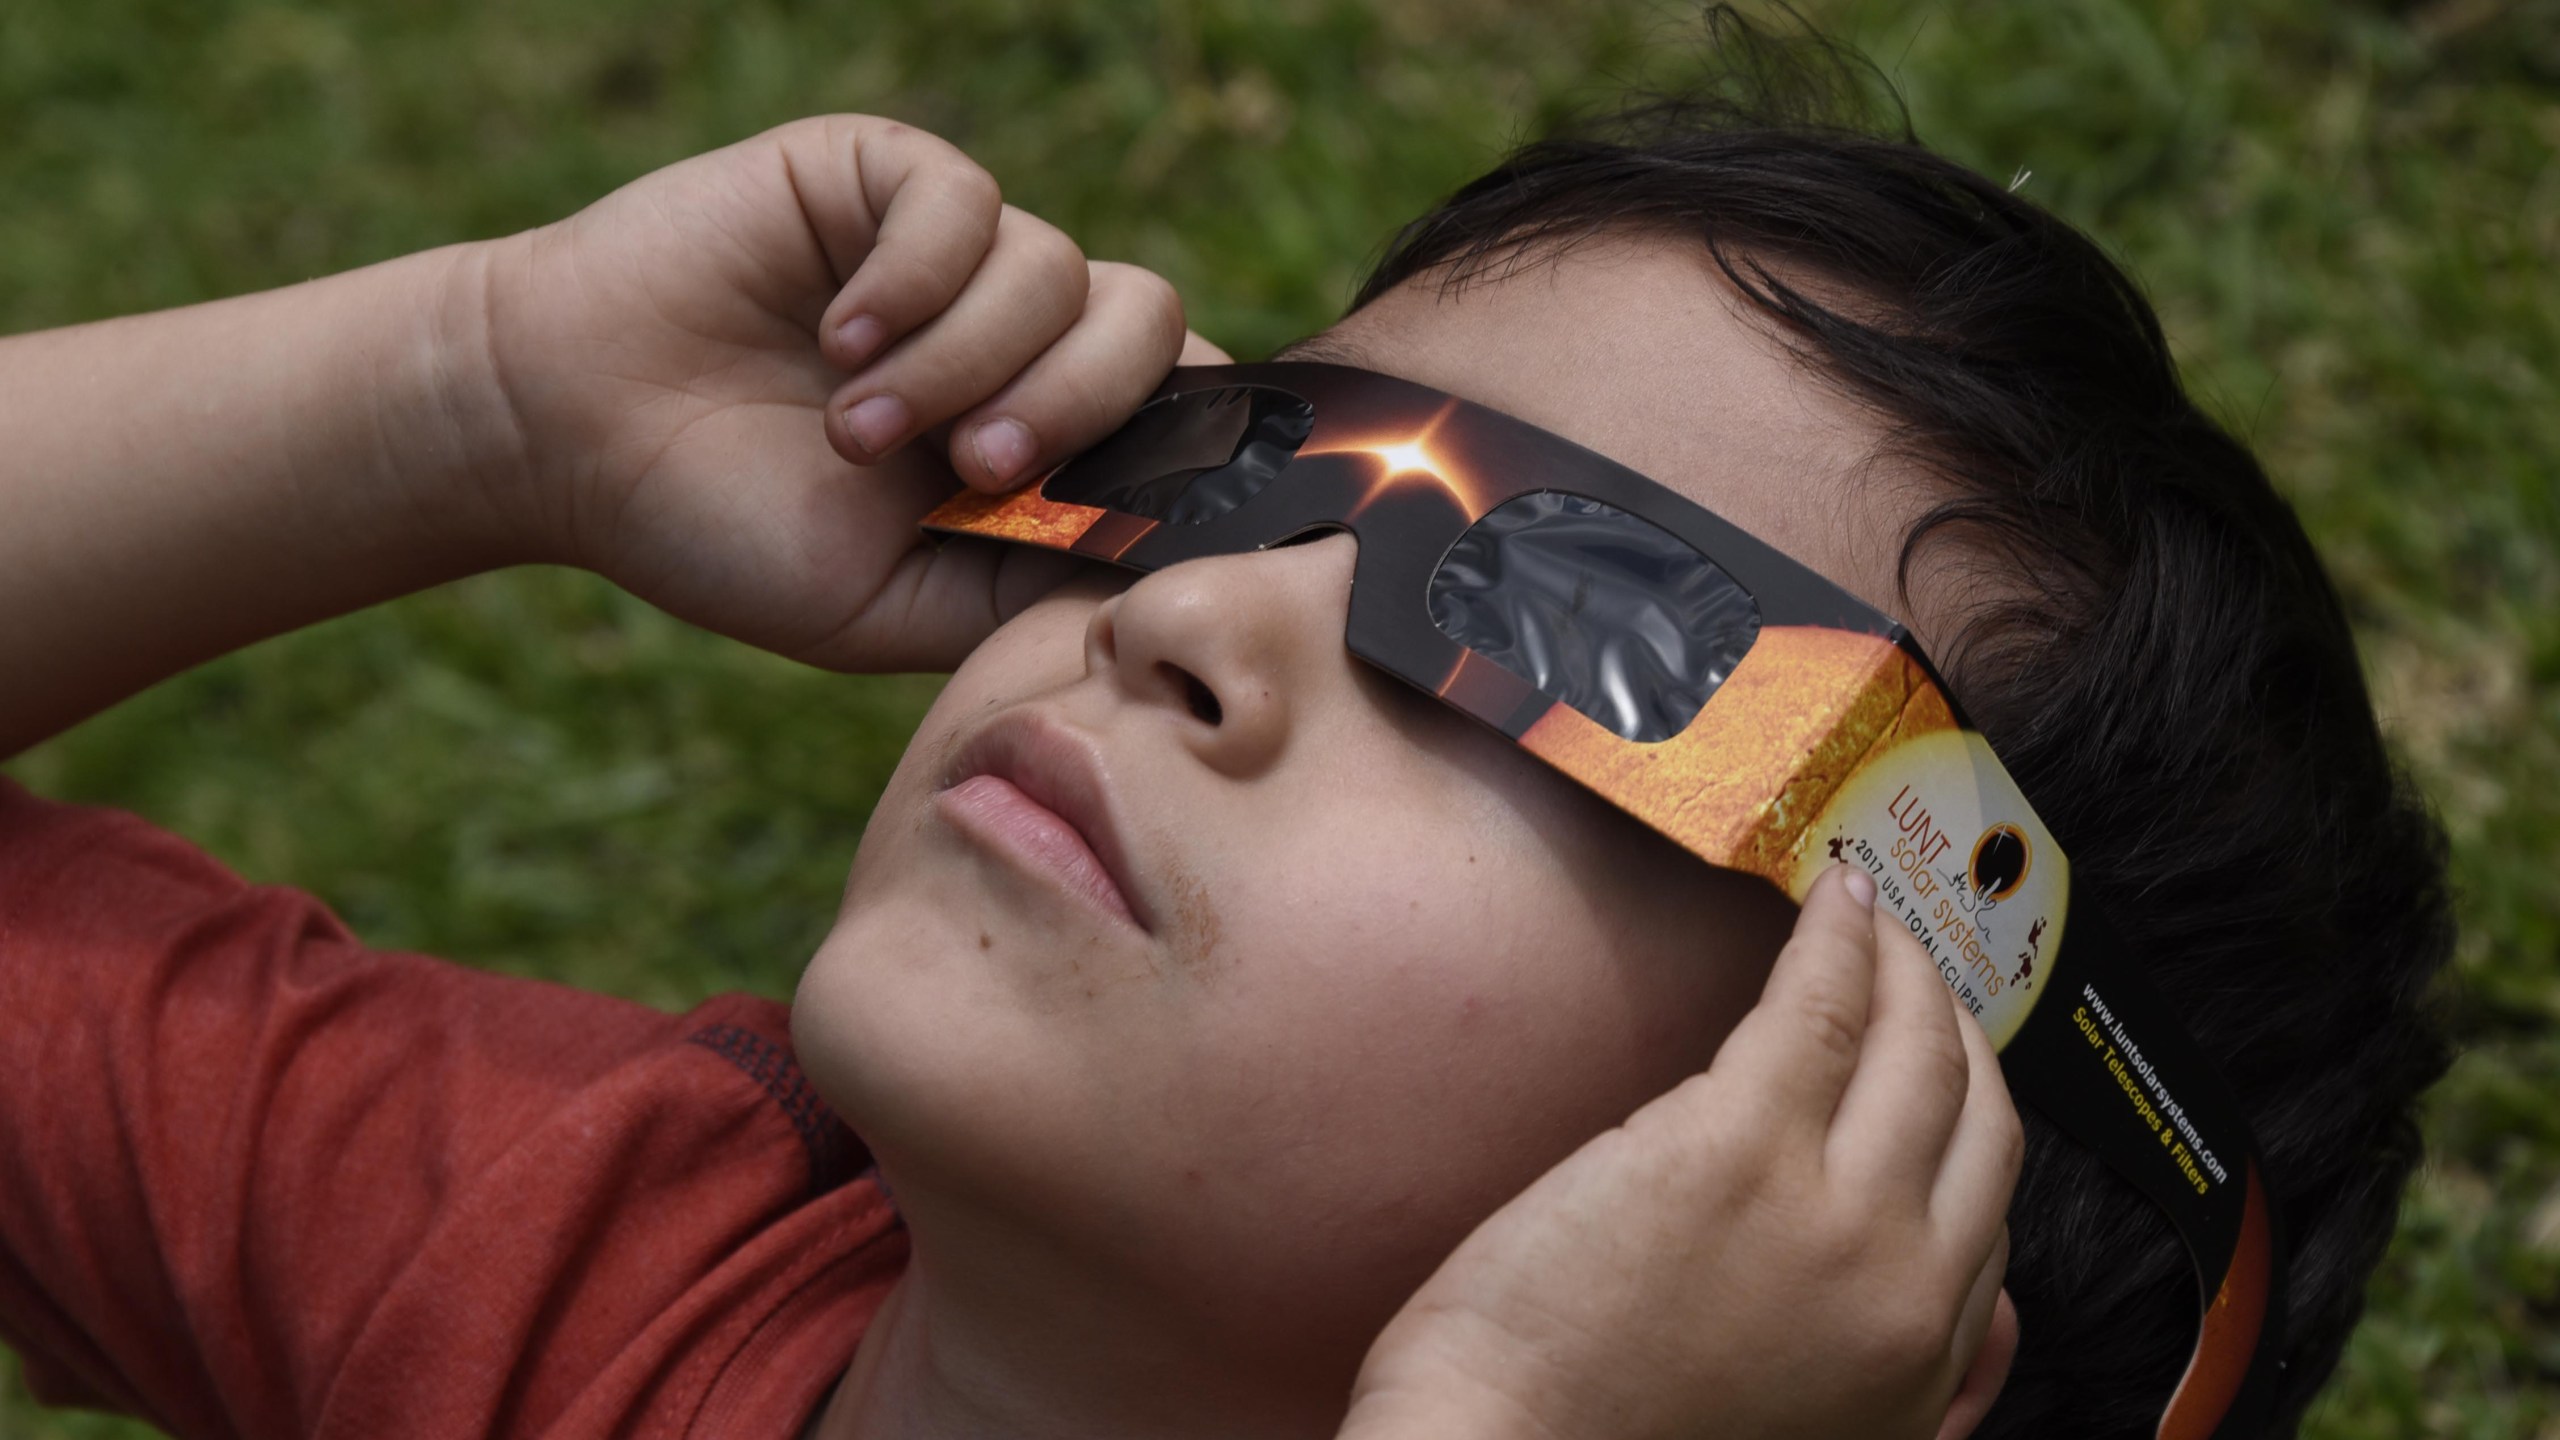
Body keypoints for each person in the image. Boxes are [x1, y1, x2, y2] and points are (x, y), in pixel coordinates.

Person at [0, 11, 2449, 1440]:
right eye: (1258, 466)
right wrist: (475, 399)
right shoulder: (608, 1267)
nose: (1211, 622)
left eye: (1593, 653)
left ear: (1886, 1213)